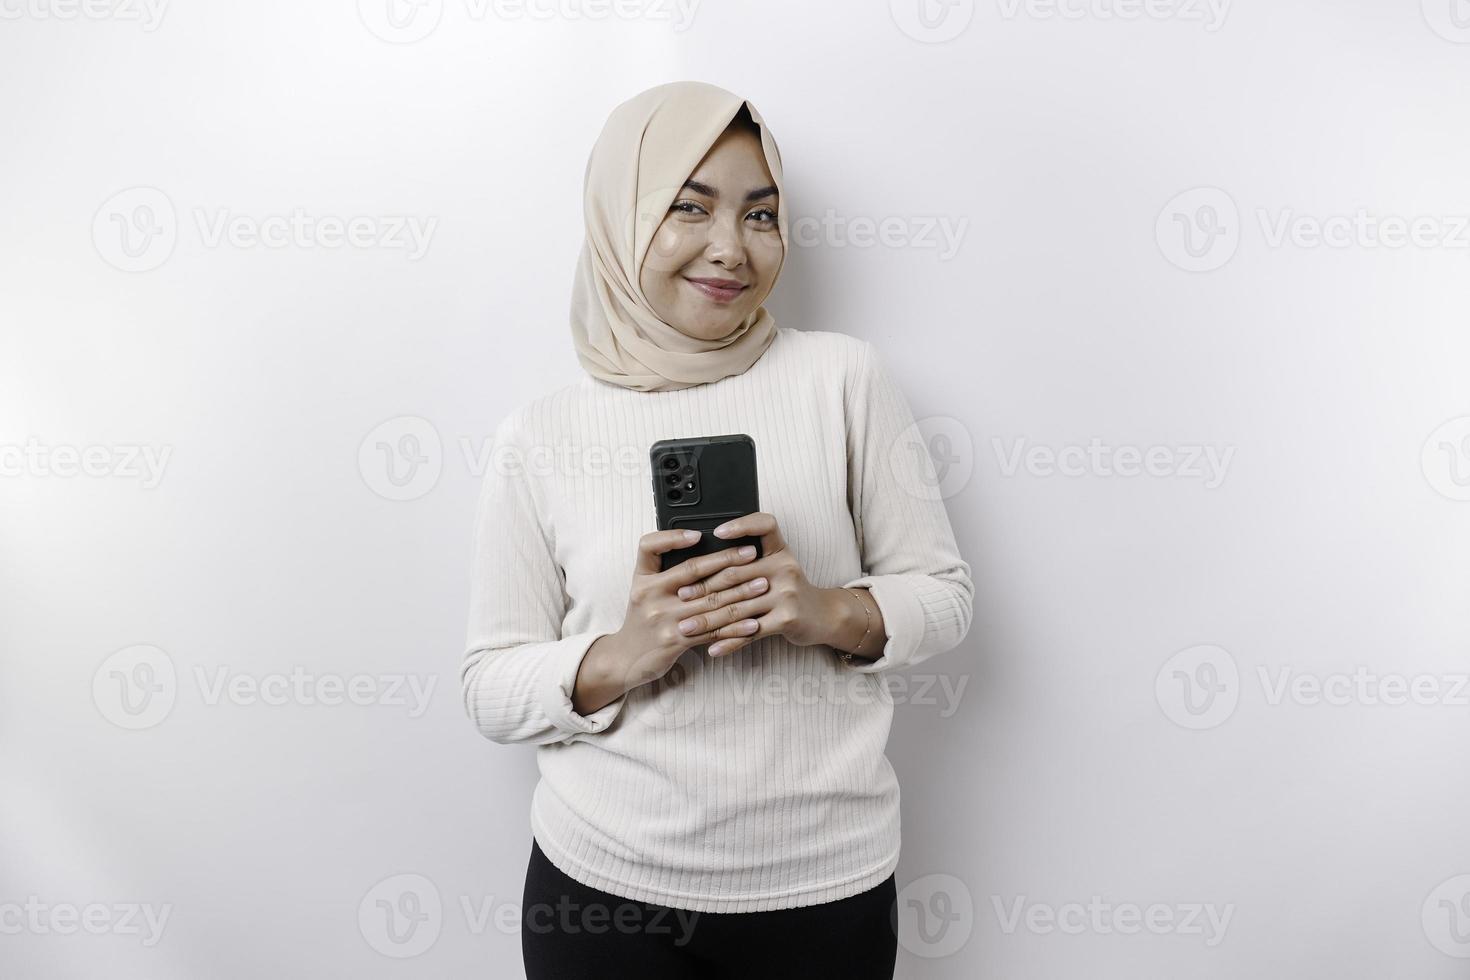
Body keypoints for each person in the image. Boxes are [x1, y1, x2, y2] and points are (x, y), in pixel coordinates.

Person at [461, 79, 974, 979]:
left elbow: (946, 597)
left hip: (828, 891)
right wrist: (622, 652)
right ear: (623, 218)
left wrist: (826, 610)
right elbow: (489, 686)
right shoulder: (538, 435)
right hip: (604, 897)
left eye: (760, 214)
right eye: (687, 209)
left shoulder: (843, 379)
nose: (731, 249)